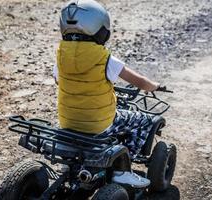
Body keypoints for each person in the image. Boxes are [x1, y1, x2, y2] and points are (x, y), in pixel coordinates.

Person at [54, 0, 159, 188]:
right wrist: (154, 86)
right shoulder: (105, 58)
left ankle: (74, 163)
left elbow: (58, 80)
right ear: (101, 31)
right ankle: (122, 170)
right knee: (145, 120)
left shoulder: (60, 54)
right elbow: (141, 82)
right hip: (99, 123)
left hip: (67, 121)